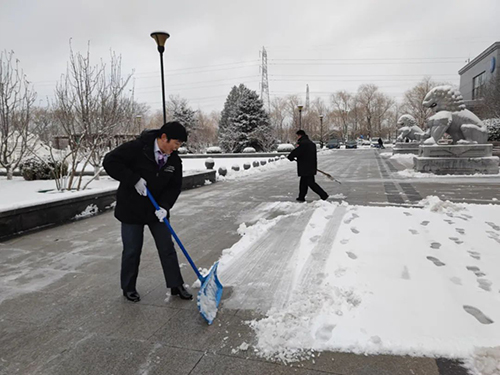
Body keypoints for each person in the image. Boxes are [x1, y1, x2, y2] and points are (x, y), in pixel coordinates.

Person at [103, 121, 192, 302]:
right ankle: (128, 287)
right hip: (131, 209)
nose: (176, 148)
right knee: (132, 250)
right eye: (175, 143)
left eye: (179, 145)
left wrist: (165, 207)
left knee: (167, 247)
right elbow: (110, 161)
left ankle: (176, 285)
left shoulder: (174, 159)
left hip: (156, 210)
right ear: (164, 137)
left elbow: (174, 187)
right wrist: (134, 179)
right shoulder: (137, 148)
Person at [287, 130, 328, 202]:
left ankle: (323, 195)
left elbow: (297, 152)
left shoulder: (303, 143)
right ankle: (301, 197)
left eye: (298, 136)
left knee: (310, 183)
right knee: (303, 182)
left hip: (305, 167)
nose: (297, 137)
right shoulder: (311, 143)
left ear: (300, 135)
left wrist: (291, 156)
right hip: (310, 166)